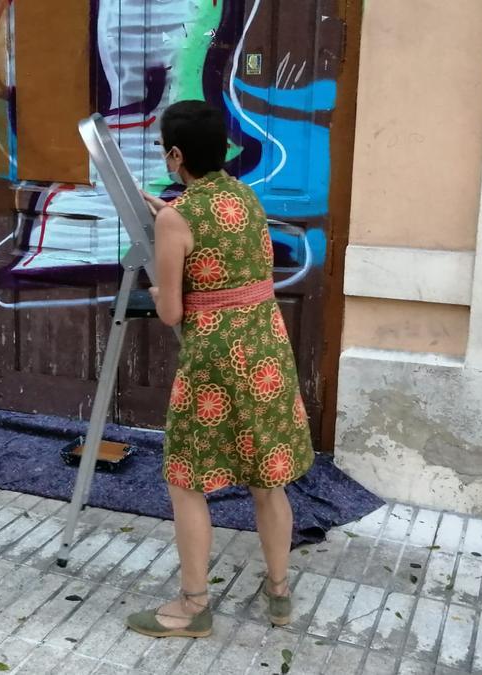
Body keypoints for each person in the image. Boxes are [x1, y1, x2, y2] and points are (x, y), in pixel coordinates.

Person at [126, 100, 315, 638]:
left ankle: (193, 606)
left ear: (176, 153)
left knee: (186, 479)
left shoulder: (176, 216)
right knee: (267, 478)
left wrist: (163, 285)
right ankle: (279, 594)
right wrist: (164, 209)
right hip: (265, 347)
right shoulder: (244, 195)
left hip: (215, 359)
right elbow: (218, 242)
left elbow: (170, 312)